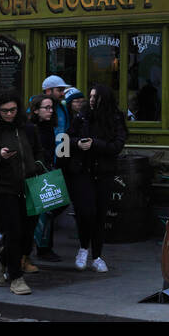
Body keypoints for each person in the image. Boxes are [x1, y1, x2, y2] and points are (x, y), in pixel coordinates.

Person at [0, 88, 42, 295]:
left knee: (26, 234)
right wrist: (0, 156)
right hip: (6, 189)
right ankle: (16, 278)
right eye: (5, 110)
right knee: (13, 233)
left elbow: (39, 152)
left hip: (29, 186)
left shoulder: (26, 128)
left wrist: (39, 166)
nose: (9, 114)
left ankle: (0, 260)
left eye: (13, 109)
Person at [66, 83, 126, 272]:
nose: (91, 100)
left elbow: (117, 146)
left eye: (95, 97)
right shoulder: (83, 116)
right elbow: (67, 138)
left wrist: (95, 144)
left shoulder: (115, 118)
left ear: (104, 99)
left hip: (104, 172)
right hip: (83, 171)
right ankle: (83, 248)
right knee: (86, 212)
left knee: (100, 214)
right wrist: (78, 143)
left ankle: (97, 255)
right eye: (90, 97)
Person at [29, 93, 64, 262]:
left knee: (52, 207)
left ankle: (43, 246)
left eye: (52, 108)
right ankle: (42, 247)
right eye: (47, 108)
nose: (50, 111)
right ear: (36, 110)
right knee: (45, 209)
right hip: (35, 173)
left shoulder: (49, 127)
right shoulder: (31, 128)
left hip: (47, 171)